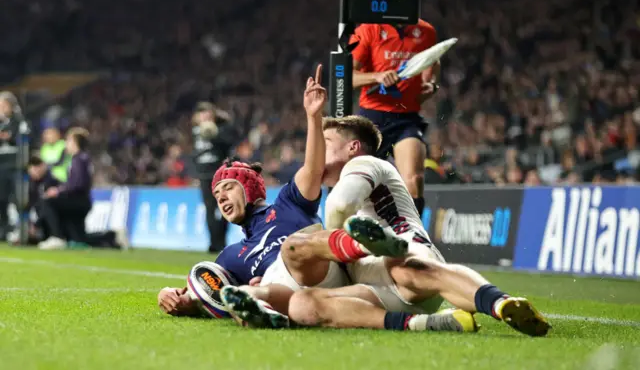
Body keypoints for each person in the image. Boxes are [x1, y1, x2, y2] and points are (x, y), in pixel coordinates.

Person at [222, 116, 550, 337]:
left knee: (408, 270)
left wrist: (336, 249)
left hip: (407, 256)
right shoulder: (334, 188)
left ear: (352, 146)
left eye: (327, 140)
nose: (319, 150)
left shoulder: (367, 163)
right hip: (375, 285)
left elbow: (341, 207)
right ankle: (425, 324)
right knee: (304, 305)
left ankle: (501, 303)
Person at [158, 65, 349, 317]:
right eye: (217, 195)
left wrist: (313, 118)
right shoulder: (230, 257)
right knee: (255, 290)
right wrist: (170, 295)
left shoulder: (288, 202)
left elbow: (313, 170)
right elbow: (205, 293)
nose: (222, 197)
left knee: (293, 253)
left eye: (228, 188)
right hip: (298, 302)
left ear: (249, 189)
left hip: (326, 279)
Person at [350, 20, 440, 216]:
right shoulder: (367, 29)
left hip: (406, 117)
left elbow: (433, 61)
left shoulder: (426, 31)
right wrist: (378, 77)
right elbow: (347, 76)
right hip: (372, 118)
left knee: (415, 179)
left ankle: (412, 236)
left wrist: (431, 84)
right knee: (363, 184)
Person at [192, 102, 236, 252]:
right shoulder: (194, 131)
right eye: (201, 113)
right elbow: (192, 154)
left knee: (226, 207)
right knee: (210, 209)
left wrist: (220, 127)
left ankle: (221, 240)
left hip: (221, 174)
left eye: (207, 113)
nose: (204, 116)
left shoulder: (222, 129)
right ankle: (213, 243)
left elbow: (230, 141)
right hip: (204, 175)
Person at [0, 91, 22, 241]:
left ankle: (21, 229)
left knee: (17, 199)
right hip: (1, 166)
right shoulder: (2, 122)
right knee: (1, 199)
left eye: (2, 105)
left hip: (15, 166)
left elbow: (15, 138)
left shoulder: (20, 121)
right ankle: (4, 228)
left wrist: (7, 135)